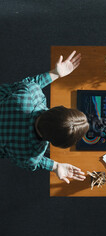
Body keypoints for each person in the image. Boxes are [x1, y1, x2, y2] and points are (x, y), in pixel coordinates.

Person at [0, 51, 88, 184]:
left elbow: (30, 83)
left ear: (57, 109)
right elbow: (32, 161)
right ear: (56, 143)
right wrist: (55, 166)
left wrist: (55, 73)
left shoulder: (30, 94)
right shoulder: (31, 156)